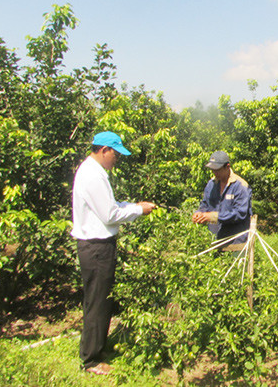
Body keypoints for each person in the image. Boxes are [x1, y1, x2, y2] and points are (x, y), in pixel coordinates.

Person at [71, 131, 157, 375]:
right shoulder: (93, 175)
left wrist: (135, 206)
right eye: (115, 154)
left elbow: (111, 206)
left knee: (102, 299)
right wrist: (139, 212)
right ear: (104, 150)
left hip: (99, 246)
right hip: (96, 247)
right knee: (97, 302)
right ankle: (91, 360)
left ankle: (98, 348)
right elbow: (109, 215)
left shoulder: (95, 172)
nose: (116, 159)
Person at [192, 151, 252, 250]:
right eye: (213, 170)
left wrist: (213, 216)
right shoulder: (211, 184)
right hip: (216, 242)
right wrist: (199, 213)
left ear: (227, 167)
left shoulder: (241, 186)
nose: (215, 173)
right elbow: (205, 204)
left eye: (218, 170)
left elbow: (239, 214)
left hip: (236, 244)